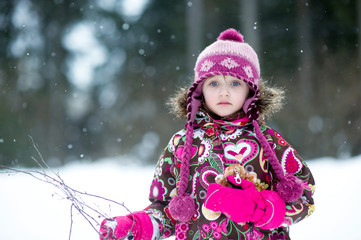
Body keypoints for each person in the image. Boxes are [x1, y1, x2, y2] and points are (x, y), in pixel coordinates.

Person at [99, 28, 315, 240]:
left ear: (251, 90)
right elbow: (167, 210)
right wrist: (138, 227)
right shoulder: (181, 144)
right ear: (199, 90)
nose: (224, 91)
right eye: (213, 83)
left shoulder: (268, 141)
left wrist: (259, 208)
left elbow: (304, 199)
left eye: (235, 83)